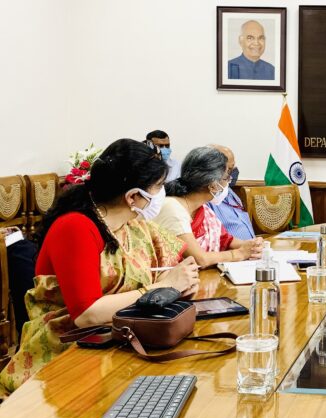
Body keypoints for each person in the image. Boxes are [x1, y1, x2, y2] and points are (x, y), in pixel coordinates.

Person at [0, 139, 200, 396]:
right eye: (159, 186)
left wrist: (180, 285)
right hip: (67, 353)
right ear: (133, 196)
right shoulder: (75, 228)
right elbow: (87, 315)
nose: (163, 194)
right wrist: (162, 287)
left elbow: (168, 271)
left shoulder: (133, 225)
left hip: (120, 341)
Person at [153, 146, 263, 266]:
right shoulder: (172, 208)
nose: (228, 182)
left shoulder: (203, 209)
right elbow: (200, 259)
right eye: (226, 177)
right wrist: (239, 254)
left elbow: (226, 240)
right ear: (213, 185)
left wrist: (252, 246)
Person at [206, 145, 256, 240]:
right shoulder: (207, 199)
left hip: (252, 246)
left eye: (232, 167)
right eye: (229, 169)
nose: (232, 172)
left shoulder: (228, 191)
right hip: (231, 249)